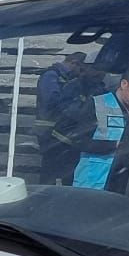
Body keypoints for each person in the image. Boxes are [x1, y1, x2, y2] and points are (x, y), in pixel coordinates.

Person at [74, 61, 129, 190]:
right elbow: (79, 140)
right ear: (124, 84)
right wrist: (115, 145)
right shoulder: (97, 104)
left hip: (122, 184)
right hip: (91, 184)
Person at [35, 51, 94, 185]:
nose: (80, 73)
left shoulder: (65, 78)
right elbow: (51, 100)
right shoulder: (52, 75)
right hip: (48, 130)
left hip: (62, 132)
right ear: (74, 63)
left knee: (64, 170)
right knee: (49, 170)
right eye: (80, 69)